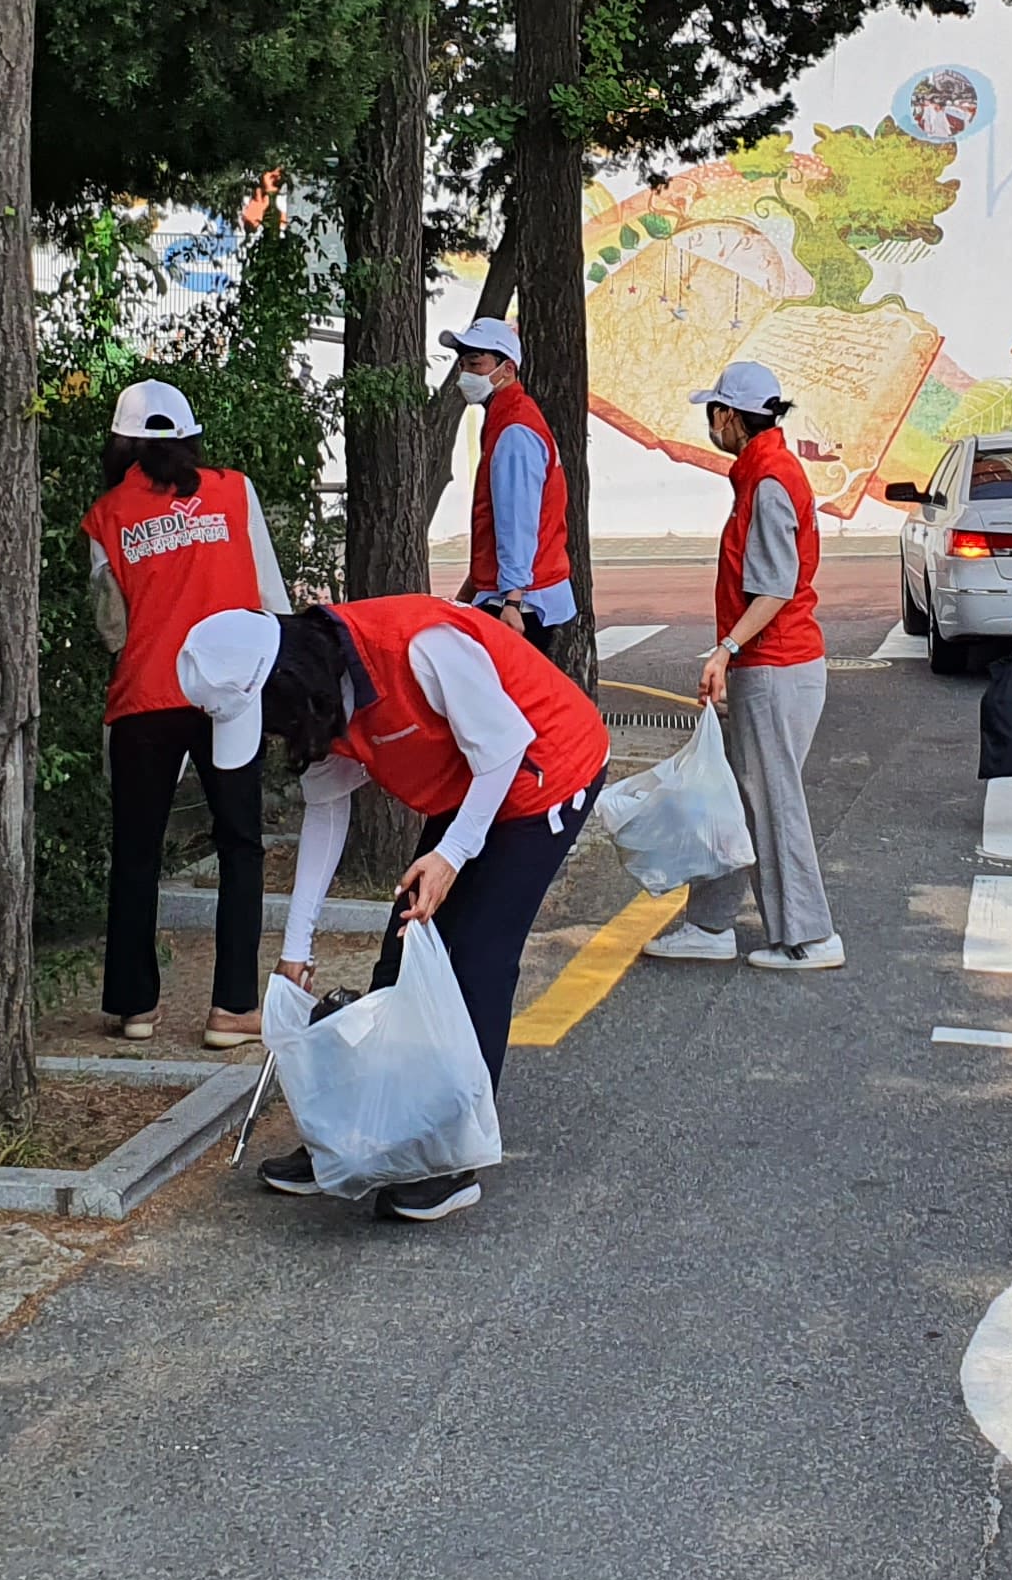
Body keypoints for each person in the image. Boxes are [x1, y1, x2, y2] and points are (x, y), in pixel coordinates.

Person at [180, 597, 609, 1221]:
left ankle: (450, 1159)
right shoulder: (321, 702)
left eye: (267, 718)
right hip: (471, 780)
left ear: (288, 683)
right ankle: (359, 1136)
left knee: (475, 962)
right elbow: (327, 812)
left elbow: (505, 746)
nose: (273, 735)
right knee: (403, 953)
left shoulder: (420, 648)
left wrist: (454, 853)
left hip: (544, 772)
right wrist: (296, 949)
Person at [82, 379, 287, 1049]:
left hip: (146, 693)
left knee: (137, 849)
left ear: (122, 443)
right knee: (241, 843)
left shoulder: (107, 515)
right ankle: (232, 1008)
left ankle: (135, 1006)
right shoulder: (234, 490)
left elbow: (111, 625)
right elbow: (269, 596)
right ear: (190, 437)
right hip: (229, 692)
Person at [645, 360, 843, 969]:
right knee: (743, 796)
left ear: (727, 416)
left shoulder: (769, 480)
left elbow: (775, 586)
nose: (712, 423)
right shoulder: (764, 472)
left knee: (770, 801)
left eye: (714, 413)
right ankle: (709, 924)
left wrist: (726, 651)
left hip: (774, 665)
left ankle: (809, 936)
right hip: (777, 663)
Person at [444, 317, 577, 663]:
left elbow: (517, 522)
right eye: (463, 364)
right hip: (525, 595)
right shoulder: (510, 417)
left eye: (476, 363)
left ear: (507, 368)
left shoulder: (515, 430)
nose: (465, 373)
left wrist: (511, 602)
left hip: (524, 604)